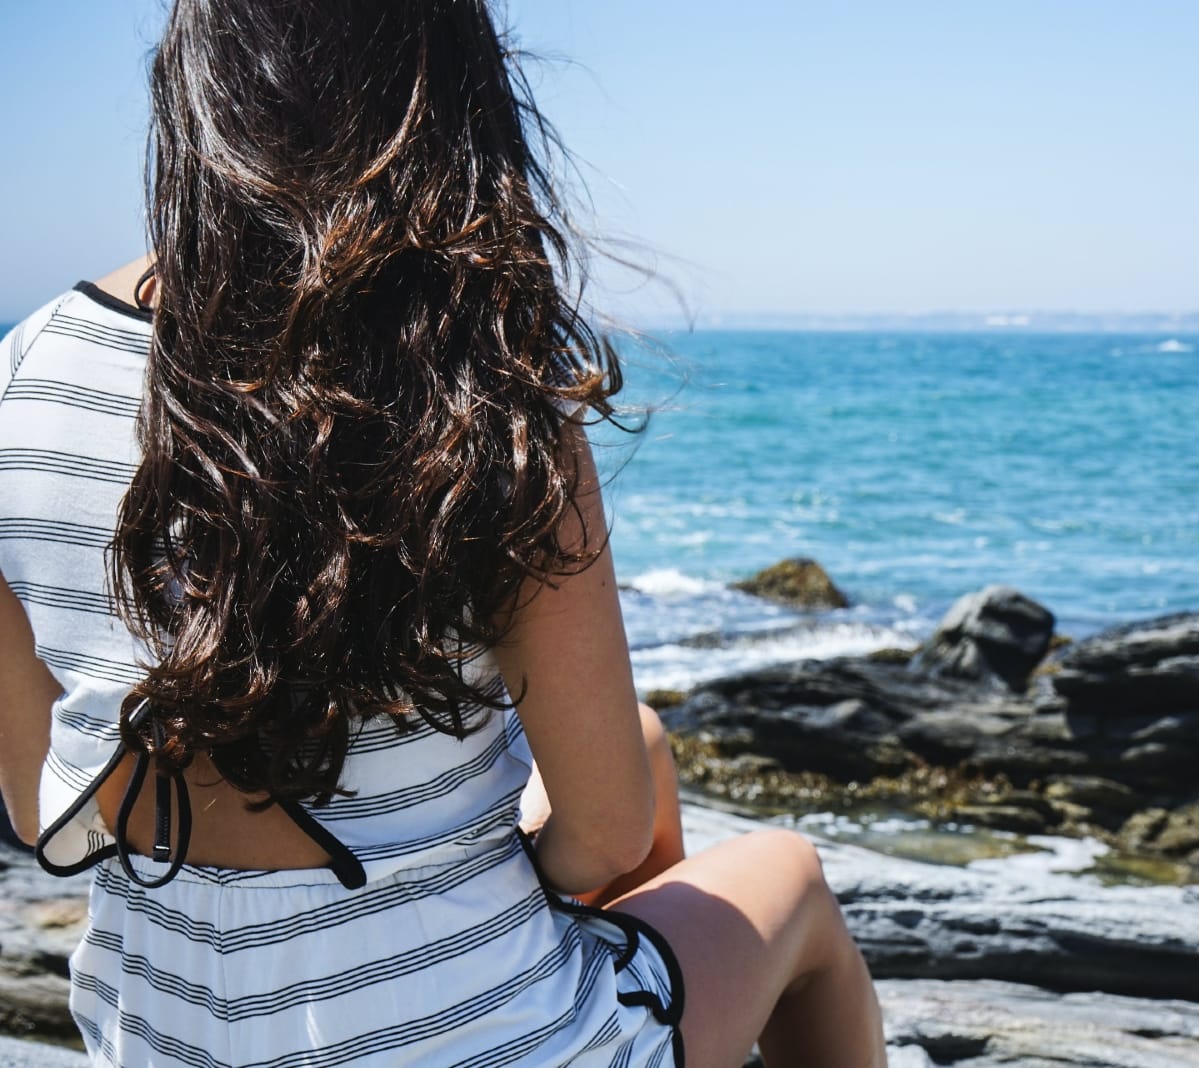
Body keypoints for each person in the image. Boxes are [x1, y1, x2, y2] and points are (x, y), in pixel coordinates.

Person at [0, 2, 888, 1066]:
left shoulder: (24, 378)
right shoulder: (474, 390)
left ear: (194, 88)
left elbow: (49, 805)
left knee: (643, 747)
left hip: (167, 1039)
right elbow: (600, 838)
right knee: (789, 877)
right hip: (480, 1042)